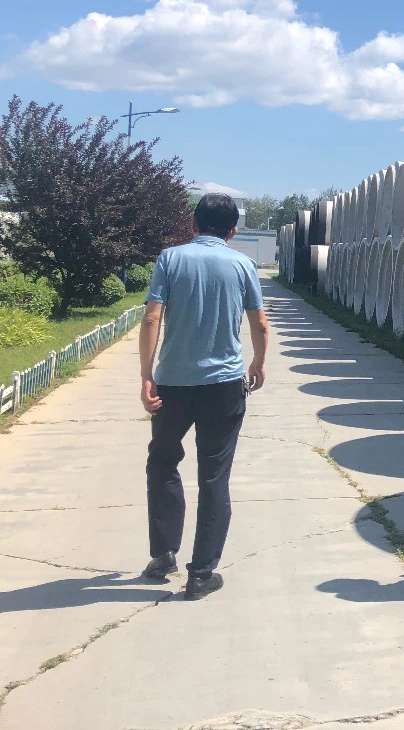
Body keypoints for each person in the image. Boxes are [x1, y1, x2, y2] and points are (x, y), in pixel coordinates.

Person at [138, 192, 268, 600]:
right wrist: (258, 362)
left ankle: (164, 554)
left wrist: (146, 375)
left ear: (193, 224)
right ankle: (202, 574)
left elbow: (152, 317)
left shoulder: (170, 259)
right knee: (214, 475)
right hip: (224, 386)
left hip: (173, 384)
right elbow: (259, 323)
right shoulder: (243, 264)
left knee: (162, 462)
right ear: (233, 230)